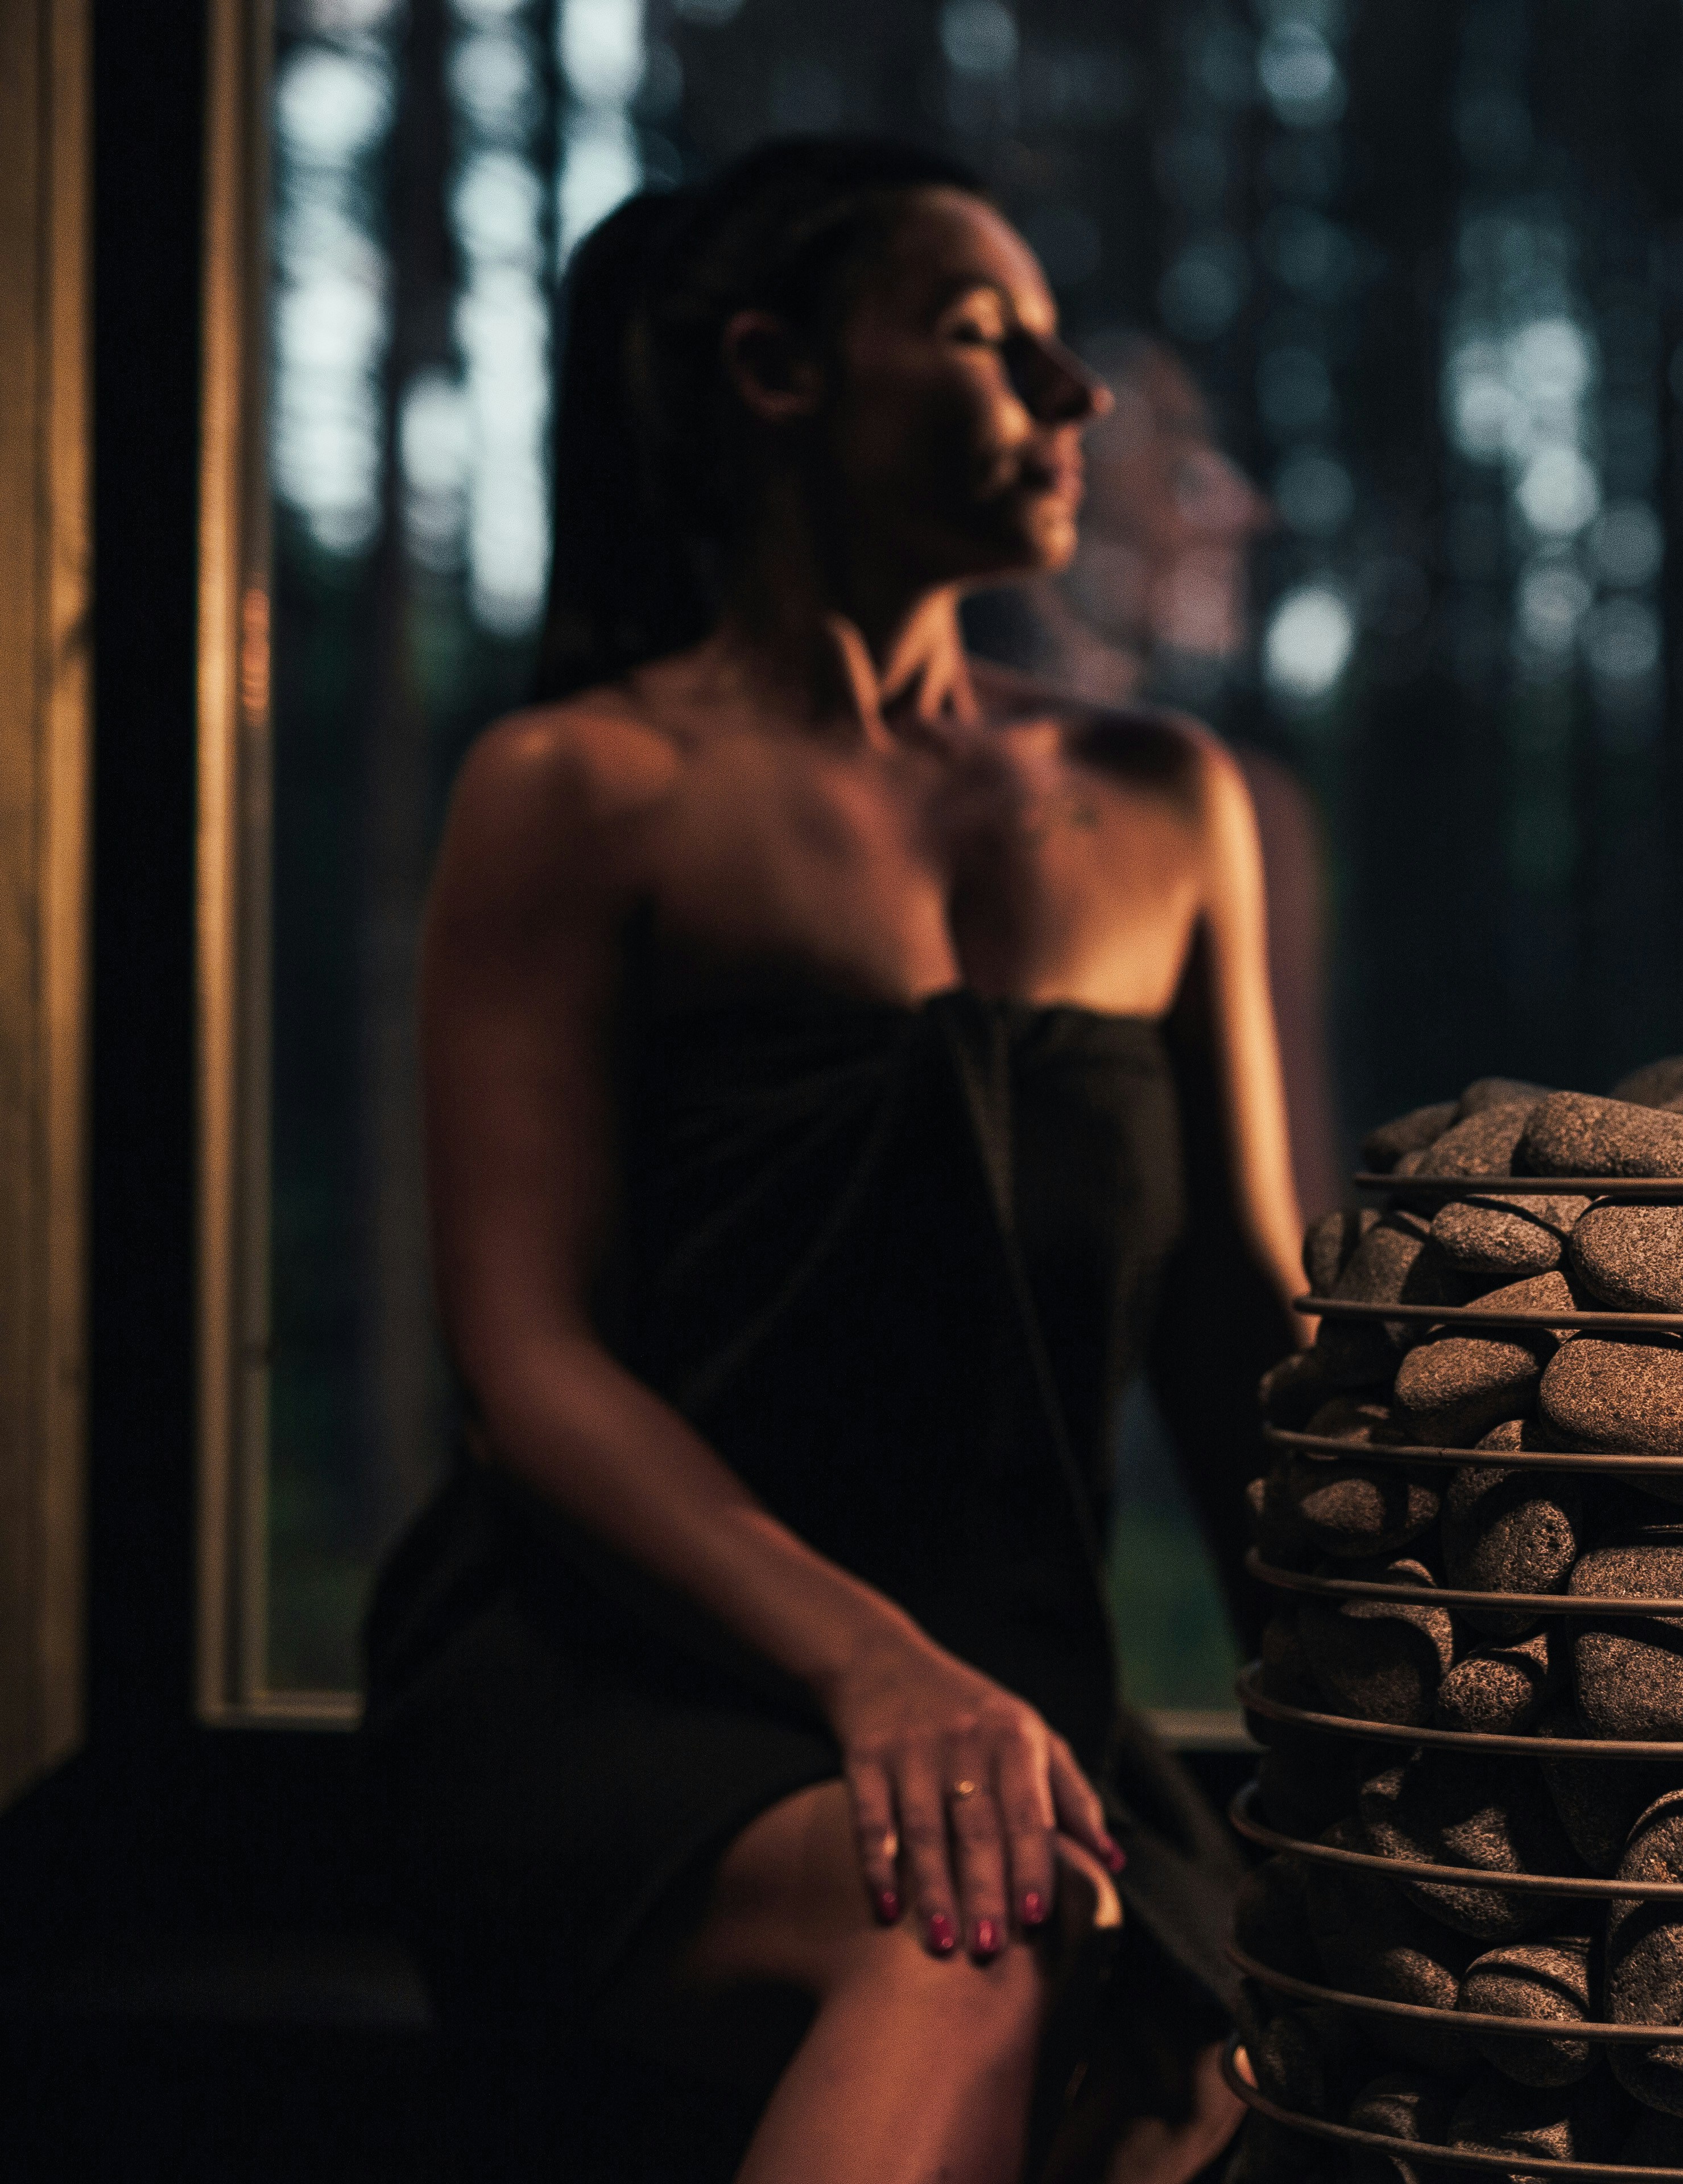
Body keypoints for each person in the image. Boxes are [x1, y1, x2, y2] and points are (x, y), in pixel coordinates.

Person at [360, 137, 1302, 2184]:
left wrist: (1405, 1754)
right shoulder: (582, 791)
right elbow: (530, 1375)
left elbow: (1244, 1337)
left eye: (1063, 348)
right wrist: (875, 1671)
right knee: (976, 1934)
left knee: (1201, 2086)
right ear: (779, 374)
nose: (1077, 399)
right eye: (986, 337)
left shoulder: (1162, 804)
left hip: (1020, 1689)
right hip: (621, 1674)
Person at [963, 333, 1345, 1243]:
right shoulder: (1238, 811)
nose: (1244, 512)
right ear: (1059, 484)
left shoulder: (1247, 807)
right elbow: (1299, 1231)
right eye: (1182, 472)